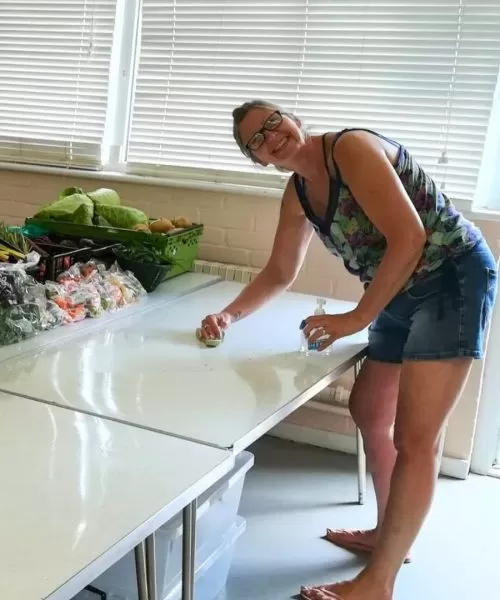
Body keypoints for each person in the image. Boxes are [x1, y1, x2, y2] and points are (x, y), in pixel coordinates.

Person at [198, 100, 498, 600]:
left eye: (274, 122)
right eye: (256, 140)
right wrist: (229, 315)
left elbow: (409, 236)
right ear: (258, 160)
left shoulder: (351, 149)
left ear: (294, 119)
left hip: (451, 277)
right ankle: (388, 534)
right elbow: (279, 271)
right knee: (368, 409)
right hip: (398, 288)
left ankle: (378, 584)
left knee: (416, 437)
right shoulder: (298, 195)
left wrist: (357, 317)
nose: (271, 136)